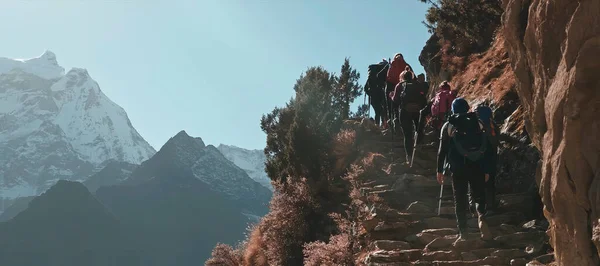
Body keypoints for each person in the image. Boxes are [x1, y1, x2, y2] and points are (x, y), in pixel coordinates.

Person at [436, 98, 493, 242]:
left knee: (460, 200)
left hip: (458, 167)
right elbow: (487, 147)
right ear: (467, 108)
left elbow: (442, 151)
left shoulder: (448, 126)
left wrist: (439, 170)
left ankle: (463, 233)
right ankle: (481, 216)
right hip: (477, 164)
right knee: (479, 195)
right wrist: (487, 169)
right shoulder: (478, 123)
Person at [390, 69, 426, 163]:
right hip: (417, 111)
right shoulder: (417, 84)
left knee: (407, 134)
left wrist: (392, 98)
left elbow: (395, 101)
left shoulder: (400, 85)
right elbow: (423, 98)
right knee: (419, 129)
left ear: (402, 77)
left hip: (404, 111)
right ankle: (418, 147)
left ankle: (409, 156)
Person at [385, 53, 409, 128]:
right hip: (402, 86)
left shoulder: (392, 63)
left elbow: (388, 76)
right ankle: (400, 122)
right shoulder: (405, 64)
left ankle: (392, 123)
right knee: (400, 105)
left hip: (391, 86)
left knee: (390, 106)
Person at [364, 60, 388, 126]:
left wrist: (371, 93)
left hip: (373, 97)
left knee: (377, 112)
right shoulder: (382, 74)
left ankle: (377, 125)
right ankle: (384, 126)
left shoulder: (371, 74)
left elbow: (365, 88)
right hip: (381, 95)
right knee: (383, 111)